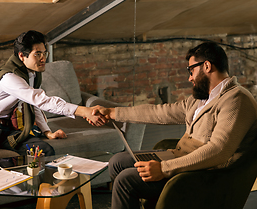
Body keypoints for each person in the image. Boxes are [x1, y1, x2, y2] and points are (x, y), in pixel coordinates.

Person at [94, 42, 257, 209]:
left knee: (125, 181)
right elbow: (160, 112)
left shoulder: (236, 99)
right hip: (180, 158)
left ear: (207, 66)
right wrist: (112, 113)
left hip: (203, 173)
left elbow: (218, 151)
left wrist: (163, 169)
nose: (190, 77)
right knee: (117, 161)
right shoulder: (201, 98)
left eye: (191, 70)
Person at [0, 30, 106, 169]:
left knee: (44, 150)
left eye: (45, 53)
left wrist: (47, 131)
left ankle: (38, 191)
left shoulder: (31, 74)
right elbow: (41, 100)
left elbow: (33, 105)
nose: (43, 58)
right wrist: (83, 111)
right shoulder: (10, 77)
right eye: (37, 54)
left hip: (8, 131)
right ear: (21, 56)